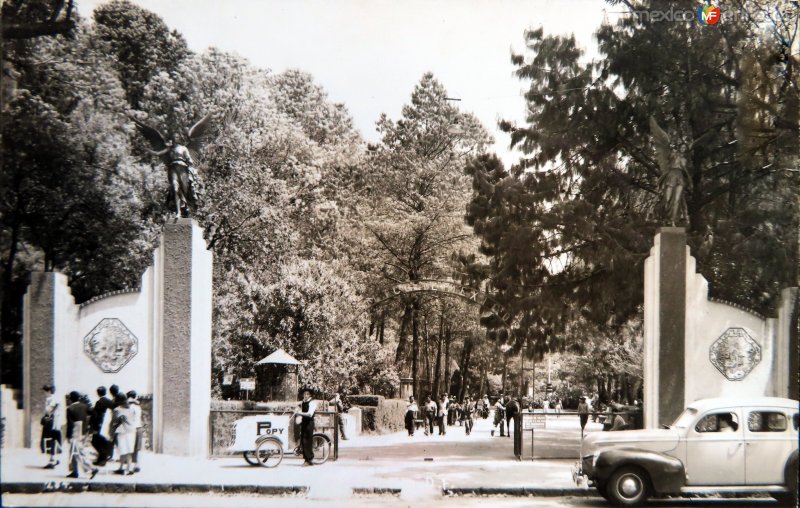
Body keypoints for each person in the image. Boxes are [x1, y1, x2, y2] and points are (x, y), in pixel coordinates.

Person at [66, 391, 98, 479]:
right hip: (83, 430)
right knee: (74, 451)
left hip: (75, 431)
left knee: (78, 452)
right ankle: (74, 471)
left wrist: (68, 436)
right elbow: (94, 413)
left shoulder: (70, 408)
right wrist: (90, 425)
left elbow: (70, 424)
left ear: (71, 399)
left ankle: (92, 468)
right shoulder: (85, 406)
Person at [110, 393, 136, 475]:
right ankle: (123, 467)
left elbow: (114, 422)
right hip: (131, 431)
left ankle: (128, 468)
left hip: (122, 431)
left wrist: (111, 433)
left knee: (123, 450)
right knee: (126, 450)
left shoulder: (117, 410)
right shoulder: (133, 409)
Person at [91, 386, 114, 466]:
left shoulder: (99, 402)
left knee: (95, 442)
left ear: (98, 393)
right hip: (108, 425)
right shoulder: (110, 402)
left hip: (99, 426)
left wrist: (93, 426)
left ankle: (102, 458)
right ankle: (101, 459)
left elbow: (95, 416)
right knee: (104, 442)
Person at [294, 390, 317, 466]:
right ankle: (306, 459)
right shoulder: (303, 402)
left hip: (309, 423)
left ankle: (309, 459)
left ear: (310, 395)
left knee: (307, 441)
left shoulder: (312, 402)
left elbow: (310, 414)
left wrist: (299, 413)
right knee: (303, 441)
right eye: (304, 394)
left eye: (307, 394)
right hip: (304, 422)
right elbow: (298, 406)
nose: (306, 395)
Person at [41, 385, 62, 469]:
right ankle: (53, 460)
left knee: (50, 442)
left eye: (45, 391)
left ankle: (52, 461)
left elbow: (49, 411)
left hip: (52, 425)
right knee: (52, 442)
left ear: (49, 391)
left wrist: (47, 415)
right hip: (55, 424)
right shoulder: (54, 399)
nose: (44, 393)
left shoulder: (52, 400)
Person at [127, 391, 143, 473]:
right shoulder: (138, 406)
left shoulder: (130, 407)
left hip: (132, 428)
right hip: (139, 427)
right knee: (138, 448)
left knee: (130, 447)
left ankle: (130, 467)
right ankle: (137, 465)